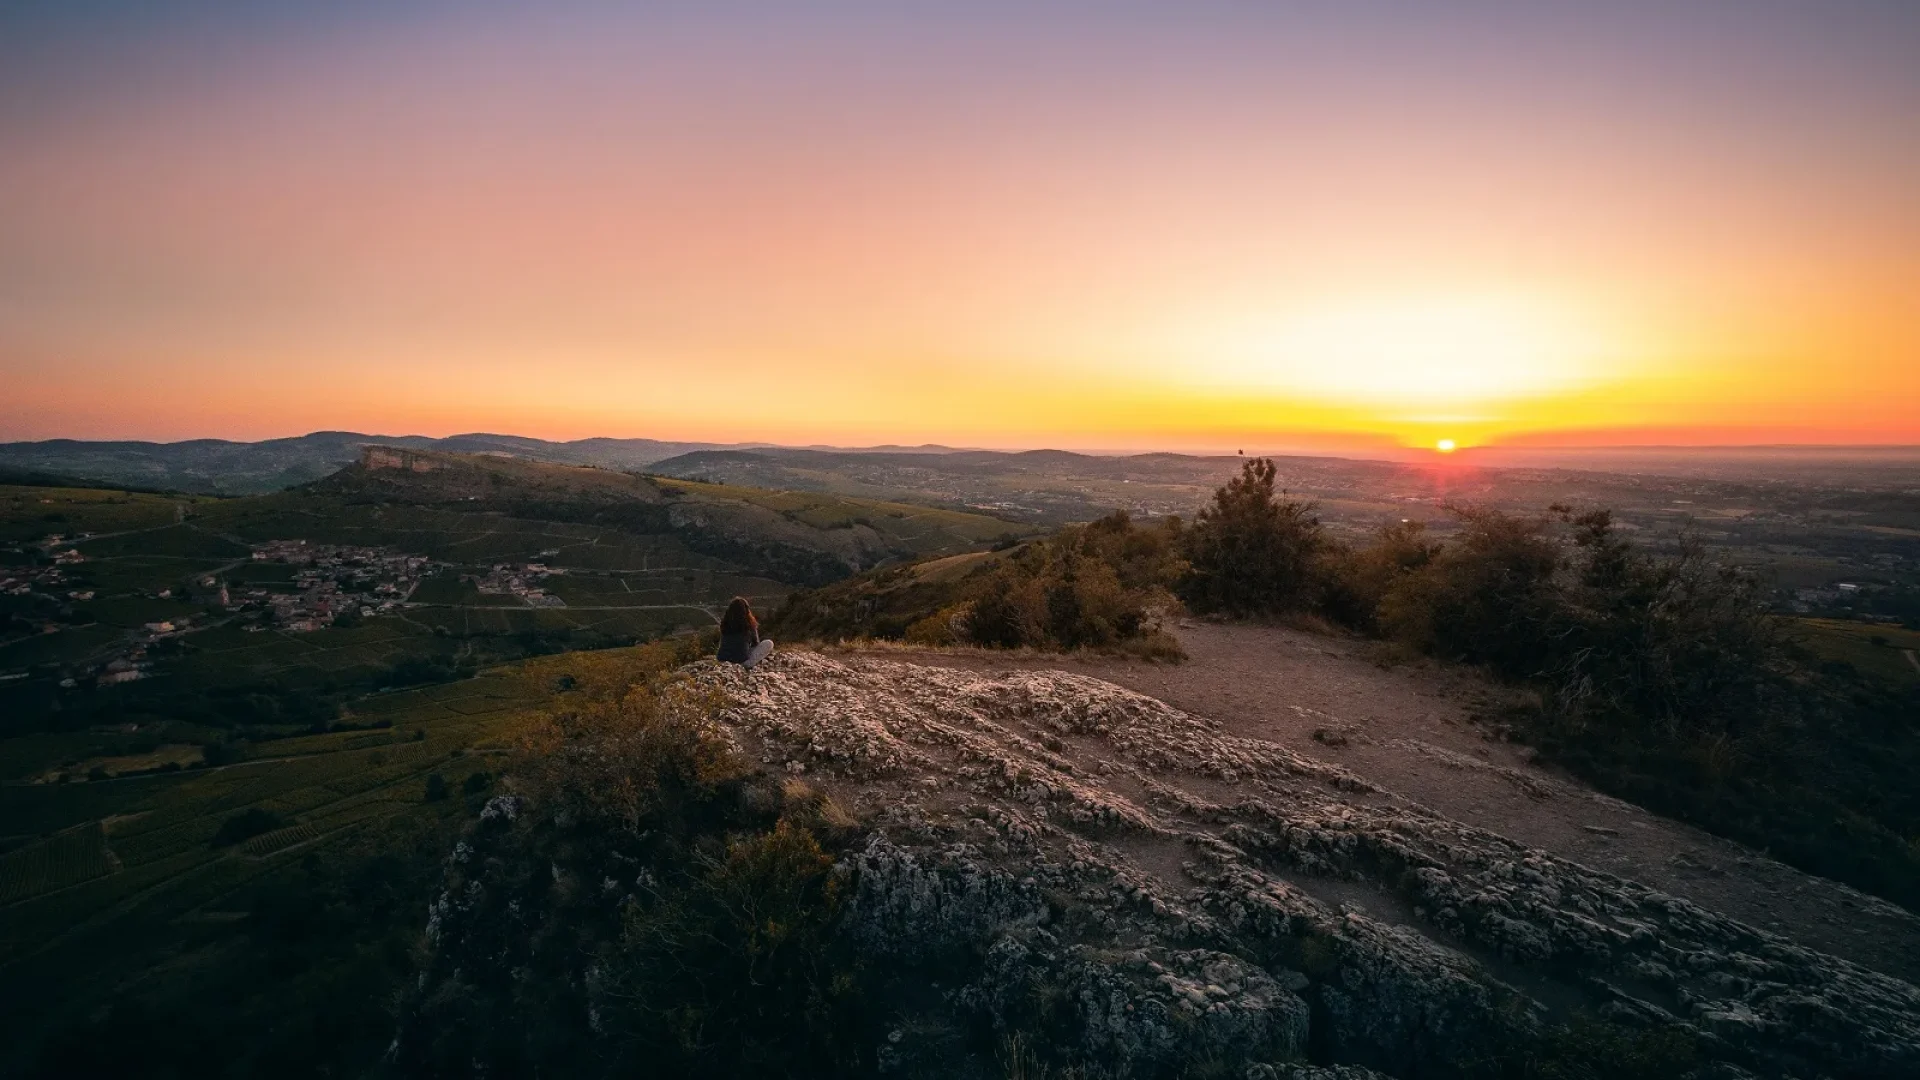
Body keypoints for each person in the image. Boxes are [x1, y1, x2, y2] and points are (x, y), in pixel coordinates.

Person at [716, 596, 774, 670]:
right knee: (769, 643)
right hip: (740, 660)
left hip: (722, 659)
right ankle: (747, 665)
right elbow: (755, 643)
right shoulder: (749, 625)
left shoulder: (725, 624)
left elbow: (723, 643)